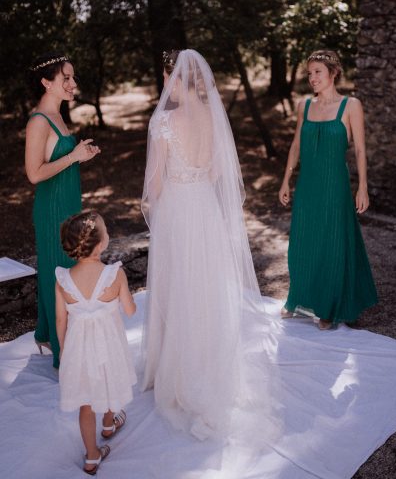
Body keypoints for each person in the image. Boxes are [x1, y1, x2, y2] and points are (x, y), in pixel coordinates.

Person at [141, 49, 273, 441]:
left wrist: (150, 204)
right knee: (205, 289)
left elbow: (155, 182)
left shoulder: (163, 121)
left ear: (175, 78)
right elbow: (218, 170)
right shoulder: (213, 117)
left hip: (178, 209)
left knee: (177, 285)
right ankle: (210, 367)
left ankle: (177, 374)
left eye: (167, 78)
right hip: (205, 207)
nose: (165, 86)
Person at [279, 49, 378, 329]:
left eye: (318, 72)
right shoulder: (304, 106)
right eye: (309, 73)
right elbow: (296, 145)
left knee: (333, 243)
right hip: (308, 185)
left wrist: (362, 188)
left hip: (335, 187)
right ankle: (298, 297)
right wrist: (286, 179)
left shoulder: (351, 106)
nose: (312, 78)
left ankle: (329, 308)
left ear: (333, 73)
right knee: (302, 243)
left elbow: (360, 149)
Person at [25, 52, 100, 368]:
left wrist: (80, 155)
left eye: (72, 77)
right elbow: (34, 174)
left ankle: (45, 333)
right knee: (60, 275)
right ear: (46, 82)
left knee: (63, 270)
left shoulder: (57, 116)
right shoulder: (38, 121)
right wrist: (72, 158)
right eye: (65, 78)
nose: (73, 83)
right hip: (52, 208)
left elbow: (59, 160)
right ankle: (64, 352)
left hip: (68, 203)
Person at [56, 210, 137, 475]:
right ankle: (109, 422)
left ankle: (92, 456)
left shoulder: (63, 280)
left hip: (78, 350)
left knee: (85, 403)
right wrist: (126, 299)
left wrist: (65, 350)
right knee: (110, 379)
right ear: (100, 245)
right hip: (110, 346)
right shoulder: (115, 275)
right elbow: (129, 310)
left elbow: (60, 321)